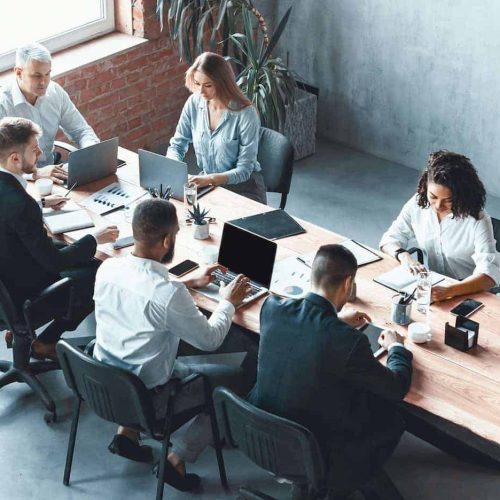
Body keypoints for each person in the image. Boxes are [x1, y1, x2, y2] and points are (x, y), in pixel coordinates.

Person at [93, 198, 251, 491]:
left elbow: (149, 293)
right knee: (234, 382)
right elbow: (210, 340)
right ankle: (177, 460)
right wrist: (228, 302)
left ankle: (127, 434)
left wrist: (187, 283)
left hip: (107, 385)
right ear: (167, 240)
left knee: (140, 346)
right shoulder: (168, 293)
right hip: (151, 399)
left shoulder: (108, 268)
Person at [249, 244, 413, 496]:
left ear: (313, 275)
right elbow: (396, 387)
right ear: (348, 283)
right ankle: (350, 484)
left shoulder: (271, 308)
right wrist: (395, 348)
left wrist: (333, 321)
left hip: (259, 432)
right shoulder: (348, 341)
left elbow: (303, 336)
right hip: (313, 448)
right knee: (391, 416)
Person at [0, 117, 118, 360]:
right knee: (102, 272)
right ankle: (46, 341)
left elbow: (8, 217)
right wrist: (94, 238)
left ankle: (17, 332)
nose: (41, 152)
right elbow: (53, 262)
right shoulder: (21, 205)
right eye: (34, 149)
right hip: (24, 294)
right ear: (14, 158)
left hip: (6, 285)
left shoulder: (14, 196)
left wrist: (40, 204)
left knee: (81, 255)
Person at [380, 150, 500, 301]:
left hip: (469, 290)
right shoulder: (418, 203)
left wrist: (450, 290)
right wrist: (404, 256)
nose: (438, 205)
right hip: (436, 287)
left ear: (461, 195)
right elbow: (389, 239)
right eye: (433, 196)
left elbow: (489, 275)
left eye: (448, 200)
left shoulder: (478, 220)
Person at [166, 52, 266, 204]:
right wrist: (173, 169)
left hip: (244, 189)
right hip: (208, 184)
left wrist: (210, 179)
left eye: (208, 85)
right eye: (197, 84)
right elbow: (177, 145)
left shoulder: (246, 114)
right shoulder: (194, 103)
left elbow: (245, 169)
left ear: (222, 83)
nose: (201, 91)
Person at [0, 42, 99, 184]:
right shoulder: (3, 104)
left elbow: (81, 130)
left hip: (54, 172)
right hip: (20, 181)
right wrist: (36, 174)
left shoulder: (55, 92)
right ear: (18, 73)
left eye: (47, 74)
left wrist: (91, 151)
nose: (44, 82)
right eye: (37, 76)